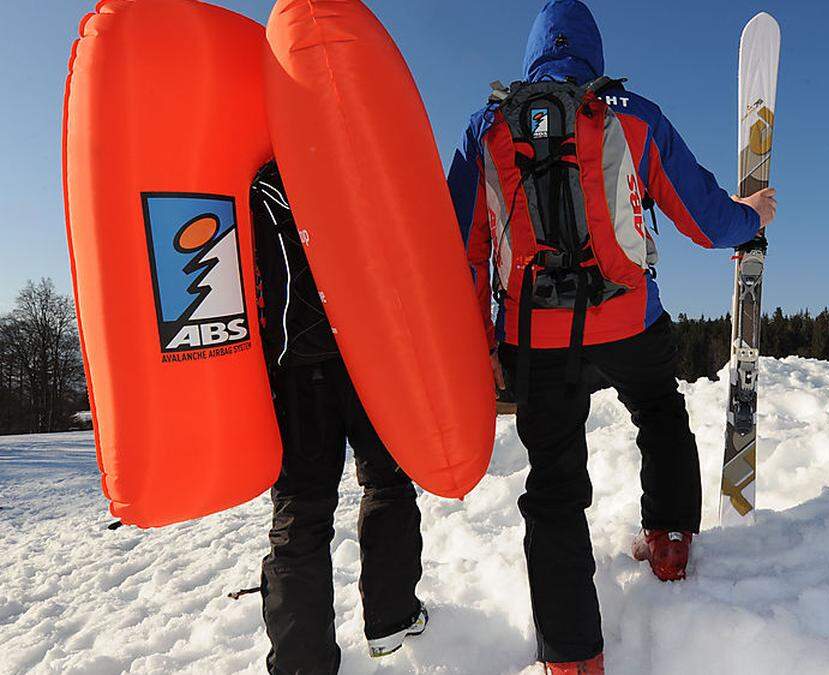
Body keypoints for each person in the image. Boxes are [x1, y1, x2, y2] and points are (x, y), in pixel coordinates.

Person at [446, 2, 777, 672]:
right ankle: (670, 539)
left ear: (533, 54)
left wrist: (481, 343)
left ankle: (571, 658)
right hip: (629, 320)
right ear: (591, 52)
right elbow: (702, 215)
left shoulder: (487, 126)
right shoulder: (631, 111)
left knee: (554, 484)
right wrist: (750, 218)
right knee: (659, 409)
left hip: (533, 337)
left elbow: (459, 251)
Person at [250, 162, 429, 674]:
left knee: (299, 514)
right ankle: (392, 618)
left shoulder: (247, 174)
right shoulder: (348, 151)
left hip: (292, 367)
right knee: (388, 484)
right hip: (367, 358)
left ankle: (303, 662)